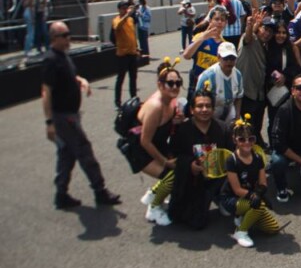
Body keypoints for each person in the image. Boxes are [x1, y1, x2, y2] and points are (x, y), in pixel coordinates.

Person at [42, 21, 121, 209]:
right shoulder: (51, 60)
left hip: (70, 114)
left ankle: (61, 194)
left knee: (67, 154)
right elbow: (46, 91)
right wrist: (49, 122)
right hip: (63, 116)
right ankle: (100, 190)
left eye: (69, 34)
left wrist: (81, 80)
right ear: (54, 38)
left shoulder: (63, 57)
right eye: (65, 35)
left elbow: (69, 77)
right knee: (84, 150)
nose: (69, 38)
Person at [164, 89, 232, 229]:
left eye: (208, 106)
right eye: (200, 106)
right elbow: (173, 155)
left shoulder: (223, 129)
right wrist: (189, 165)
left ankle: (222, 198)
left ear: (213, 109)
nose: (204, 109)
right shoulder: (182, 130)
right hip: (193, 180)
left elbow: (232, 156)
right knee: (190, 220)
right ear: (192, 109)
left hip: (219, 179)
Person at [131, 59, 186, 225]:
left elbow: (166, 127)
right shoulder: (156, 106)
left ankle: (156, 194)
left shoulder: (173, 101)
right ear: (160, 85)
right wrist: (165, 162)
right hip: (140, 149)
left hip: (157, 144)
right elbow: (145, 141)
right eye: (170, 83)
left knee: (183, 166)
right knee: (173, 175)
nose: (175, 86)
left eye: (178, 82)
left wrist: (177, 121)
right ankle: (153, 208)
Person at [222, 116, 282, 248]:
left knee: (273, 228)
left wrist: (260, 193)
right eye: (242, 139)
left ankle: (247, 215)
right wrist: (252, 196)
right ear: (235, 140)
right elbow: (237, 189)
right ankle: (241, 231)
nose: (247, 143)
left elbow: (263, 183)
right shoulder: (231, 160)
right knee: (258, 205)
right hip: (232, 198)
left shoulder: (258, 157)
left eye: (251, 139)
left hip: (252, 196)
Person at [238, 10, 273, 144]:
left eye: (270, 31)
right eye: (265, 29)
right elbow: (248, 36)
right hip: (247, 92)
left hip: (259, 93)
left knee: (257, 124)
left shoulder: (266, 46)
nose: (267, 33)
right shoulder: (250, 40)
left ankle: (258, 144)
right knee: (248, 125)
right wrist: (250, 25)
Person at [183, 5, 228, 100]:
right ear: (210, 21)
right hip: (196, 85)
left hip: (214, 88)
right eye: (216, 19)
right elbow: (186, 55)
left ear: (226, 23)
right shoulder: (199, 37)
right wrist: (203, 38)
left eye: (222, 20)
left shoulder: (225, 45)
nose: (219, 22)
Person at [195, 42, 244, 122]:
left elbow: (239, 98)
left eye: (232, 58)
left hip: (229, 114)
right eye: (225, 58)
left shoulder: (238, 75)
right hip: (210, 117)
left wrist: (237, 117)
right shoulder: (207, 77)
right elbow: (197, 101)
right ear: (218, 57)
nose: (229, 62)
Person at [112, 0, 140, 108]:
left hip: (132, 53)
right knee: (121, 78)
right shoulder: (116, 20)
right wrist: (126, 15)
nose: (126, 10)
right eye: (123, 8)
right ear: (119, 10)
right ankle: (117, 101)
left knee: (133, 78)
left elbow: (133, 35)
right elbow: (117, 27)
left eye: (127, 8)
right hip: (122, 54)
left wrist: (137, 48)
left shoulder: (130, 20)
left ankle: (133, 98)